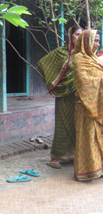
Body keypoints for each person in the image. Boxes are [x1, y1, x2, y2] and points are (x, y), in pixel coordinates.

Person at [37, 26, 82, 169]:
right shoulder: (61, 53)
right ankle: (55, 157)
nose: (79, 37)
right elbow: (43, 63)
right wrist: (55, 83)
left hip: (79, 96)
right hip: (64, 96)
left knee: (78, 126)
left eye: (82, 35)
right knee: (63, 124)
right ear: (70, 36)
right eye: (76, 34)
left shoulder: (85, 54)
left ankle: (75, 154)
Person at [72, 29, 102, 182]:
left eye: (98, 41)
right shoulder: (78, 58)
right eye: (94, 41)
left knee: (99, 138)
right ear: (85, 42)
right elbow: (84, 82)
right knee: (88, 138)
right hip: (85, 106)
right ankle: (86, 170)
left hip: (98, 104)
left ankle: (98, 168)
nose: (97, 44)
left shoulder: (95, 59)